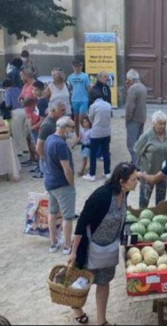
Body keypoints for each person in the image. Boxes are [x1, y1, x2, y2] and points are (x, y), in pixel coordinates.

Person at [68, 162, 139, 326]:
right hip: (89, 249)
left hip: (109, 249)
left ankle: (102, 321)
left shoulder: (125, 192)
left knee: (103, 282)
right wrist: (73, 252)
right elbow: (81, 224)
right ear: (121, 181)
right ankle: (77, 310)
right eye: (134, 179)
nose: (137, 182)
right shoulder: (101, 196)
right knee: (81, 283)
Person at [44, 117, 77, 254]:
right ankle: (67, 245)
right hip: (62, 185)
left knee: (52, 213)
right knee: (67, 216)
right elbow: (66, 168)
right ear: (64, 128)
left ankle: (53, 243)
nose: (73, 131)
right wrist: (72, 184)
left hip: (50, 182)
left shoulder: (49, 139)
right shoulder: (61, 145)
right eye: (72, 128)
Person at [134, 111, 167, 208]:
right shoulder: (146, 136)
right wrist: (138, 170)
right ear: (153, 123)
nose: (162, 126)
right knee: (144, 202)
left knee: (160, 203)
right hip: (148, 174)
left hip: (163, 174)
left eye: (164, 123)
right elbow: (137, 152)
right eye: (160, 123)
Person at [36, 100, 68, 182]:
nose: (64, 112)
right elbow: (39, 147)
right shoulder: (47, 126)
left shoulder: (56, 122)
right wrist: (48, 162)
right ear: (53, 111)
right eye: (62, 110)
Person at [84, 97, 112, 181]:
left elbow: (90, 118)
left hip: (96, 132)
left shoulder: (93, 106)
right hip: (107, 131)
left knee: (93, 153)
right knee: (106, 152)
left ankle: (92, 174)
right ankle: (107, 172)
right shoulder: (108, 105)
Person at [124, 69, 147, 164]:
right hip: (142, 117)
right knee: (139, 142)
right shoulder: (143, 87)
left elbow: (130, 106)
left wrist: (127, 118)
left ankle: (135, 165)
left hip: (133, 119)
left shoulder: (133, 89)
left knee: (131, 144)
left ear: (129, 79)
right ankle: (139, 162)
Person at [19, 69, 39, 164]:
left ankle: (39, 160)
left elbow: (28, 100)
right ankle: (32, 157)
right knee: (27, 137)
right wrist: (23, 100)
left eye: (21, 76)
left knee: (35, 139)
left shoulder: (34, 85)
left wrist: (24, 101)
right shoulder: (25, 85)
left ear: (26, 76)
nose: (20, 78)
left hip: (33, 116)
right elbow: (21, 97)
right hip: (27, 114)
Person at [67, 60, 91, 138]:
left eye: (79, 66)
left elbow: (88, 87)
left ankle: (85, 134)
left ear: (81, 67)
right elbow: (69, 88)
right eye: (76, 66)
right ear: (73, 67)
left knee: (82, 118)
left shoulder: (85, 76)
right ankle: (78, 136)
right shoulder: (70, 77)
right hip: (74, 100)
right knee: (76, 119)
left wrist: (91, 95)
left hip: (84, 99)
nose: (77, 68)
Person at [30, 80, 49, 176]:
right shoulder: (39, 101)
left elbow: (43, 120)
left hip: (38, 130)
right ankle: (39, 166)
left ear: (39, 90)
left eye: (33, 89)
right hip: (35, 128)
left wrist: (34, 127)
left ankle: (43, 170)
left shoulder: (42, 103)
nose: (32, 91)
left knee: (40, 150)